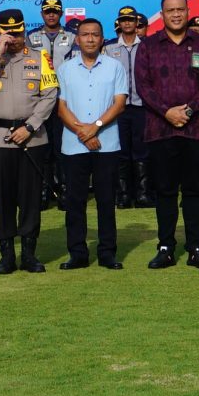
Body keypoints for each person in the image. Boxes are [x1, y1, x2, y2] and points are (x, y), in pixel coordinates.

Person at [132, 0, 199, 268]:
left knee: (194, 190)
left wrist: (189, 110)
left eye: (180, 10)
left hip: (195, 129)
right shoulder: (148, 46)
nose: (175, 14)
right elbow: (143, 86)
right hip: (161, 129)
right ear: (162, 13)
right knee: (165, 191)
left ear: (187, 11)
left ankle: (196, 247)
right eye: (170, 10)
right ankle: (165, 247)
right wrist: (167, 112)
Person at [0, 9, 56, 274]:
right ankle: (6, 254)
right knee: (4, 198)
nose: (15, 38)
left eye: (18, 33)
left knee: (30, 198)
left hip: (32, 137)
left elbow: (50, 94)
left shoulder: (41, 57)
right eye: (9, 33)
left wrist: (30, 126)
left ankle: (29, 254)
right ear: (0, 32)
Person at [55, 16, 127, 270]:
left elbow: (119, 103)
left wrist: (94, 128)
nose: (90, 39)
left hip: (106, 144)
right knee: (75, 202)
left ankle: (107, 252)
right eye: (85, 34)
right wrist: (83, 132)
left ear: (101, 38)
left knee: (106, 200)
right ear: (77, 39)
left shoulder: (115, 67)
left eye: (95, 34)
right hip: (74, 145)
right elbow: (61, 107)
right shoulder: (64, 69)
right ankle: (78, 253)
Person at [108, 6, 146, 207]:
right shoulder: (109, 47)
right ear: (119, 23)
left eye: (131, 20)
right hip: (118, 108)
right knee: (121, 150)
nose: (127, 23)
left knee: (141, 150)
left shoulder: (147, 46)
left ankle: (142, 194)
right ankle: (123, 194)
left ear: (136, 22)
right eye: (123, 20)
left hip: (142, 106)